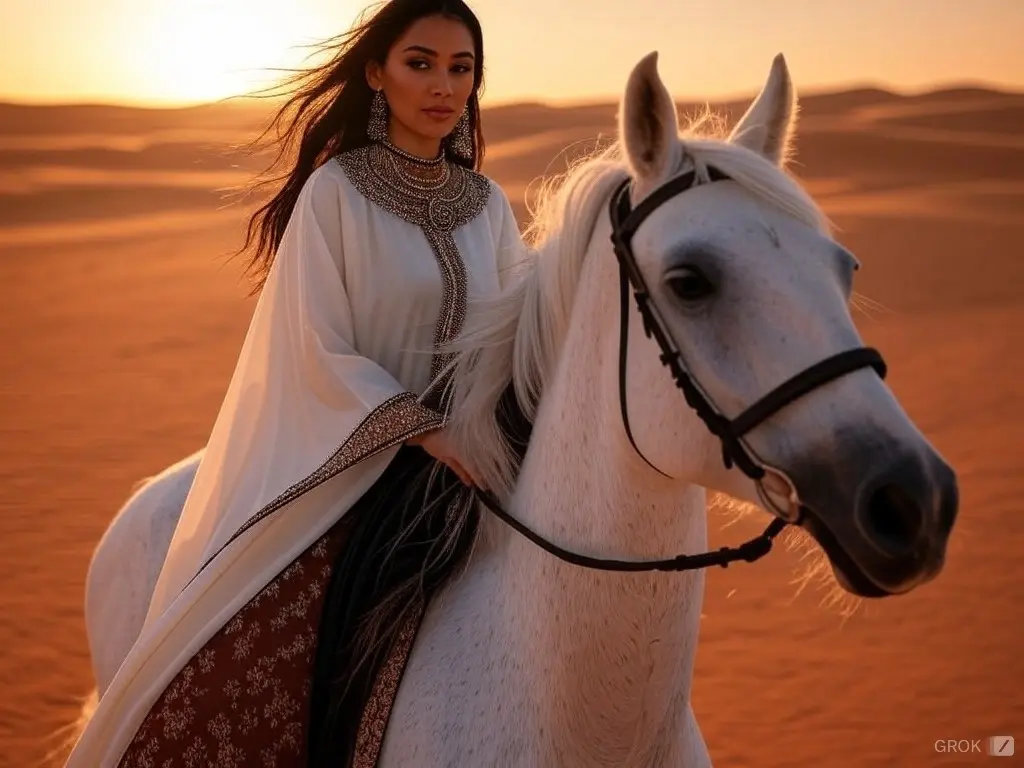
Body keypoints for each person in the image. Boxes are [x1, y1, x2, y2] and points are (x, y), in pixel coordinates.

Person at [64, 1, 526, 765]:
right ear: (377, 73)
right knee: (272, 647)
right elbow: (317, 348)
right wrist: (424, 430)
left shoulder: (487, 204)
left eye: (461, 68)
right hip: (356, 463)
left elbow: (512, 326)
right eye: (421, 63)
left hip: (478, 456)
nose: (444, 86)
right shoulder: (336, 194)